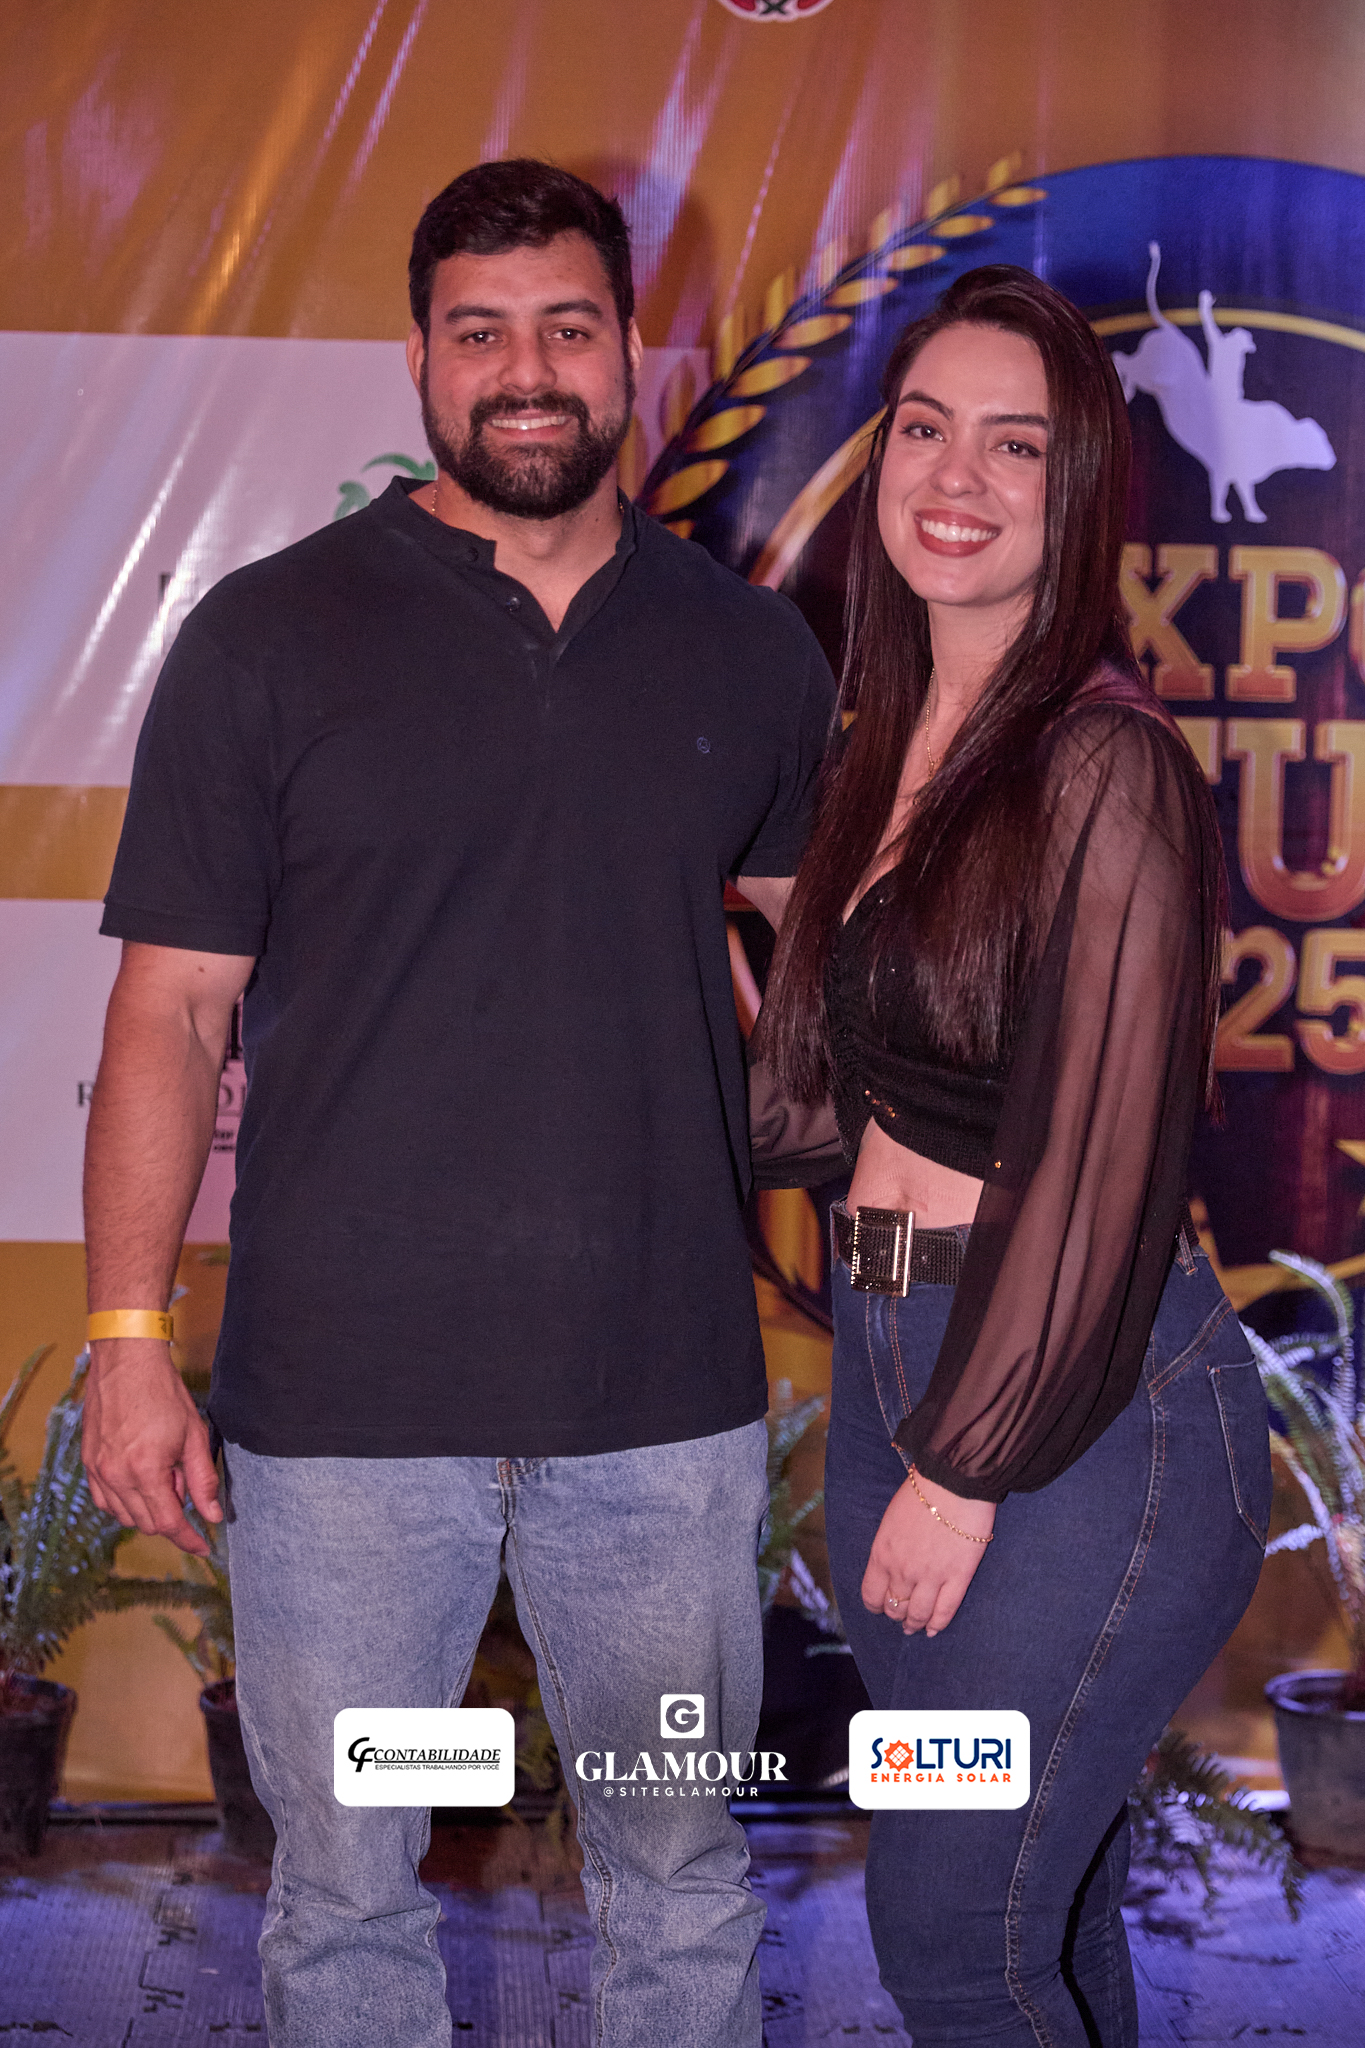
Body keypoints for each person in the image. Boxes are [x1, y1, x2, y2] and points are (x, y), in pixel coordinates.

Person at [80, 158, 835, 2048]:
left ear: (633, 352)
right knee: (346, 1891)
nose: (526, 372)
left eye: (567, 327)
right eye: (479, 332)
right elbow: (171, 1010)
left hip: (657, 1406)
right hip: (346, 1421)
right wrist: (126, 1338)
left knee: (676, 1873)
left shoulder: (748, 649)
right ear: (415, 359)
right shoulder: (267, 636)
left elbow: (838, 966)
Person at [754, 265, 1271, 2047]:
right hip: (898, 1363)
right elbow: (812, 1121)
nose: (954, 476)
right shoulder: (891, 744)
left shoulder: (1102, 762)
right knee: (1040, 1920)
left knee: (949, 1933)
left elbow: (1098, 1162)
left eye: (1015, 445)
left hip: (1074, 1413)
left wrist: (964, 1469)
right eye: (923, 429)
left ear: (1080, 493)